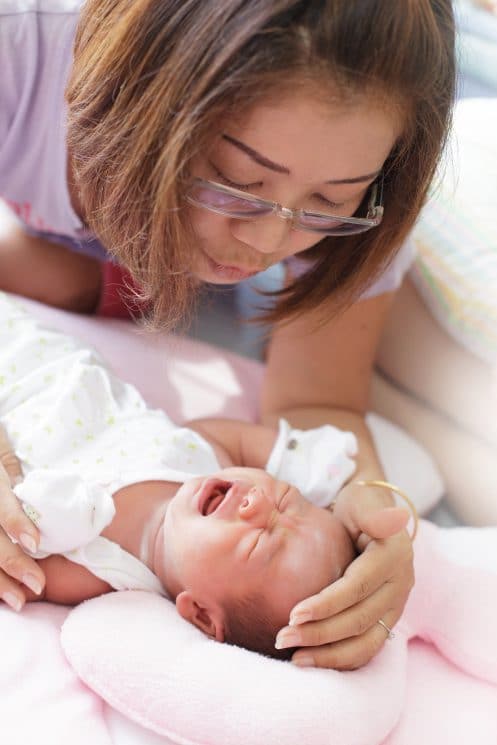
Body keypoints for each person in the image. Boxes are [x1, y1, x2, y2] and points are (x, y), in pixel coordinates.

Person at [0, 0, 456, 670]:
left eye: (330, 203)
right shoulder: (20, 53)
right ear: (145, 88)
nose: (268, 242)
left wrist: (376, 511)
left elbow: (315, 403)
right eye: (239, 183)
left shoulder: (363, 170)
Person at [0, 291, 409, 660]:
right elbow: (319, 458)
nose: (259, 501)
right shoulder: (209, 456)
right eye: (287, 498)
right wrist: (361, 497)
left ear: (199, 613)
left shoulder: (95, 569)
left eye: (259, 542)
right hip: (32, 342)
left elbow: (13, 562)